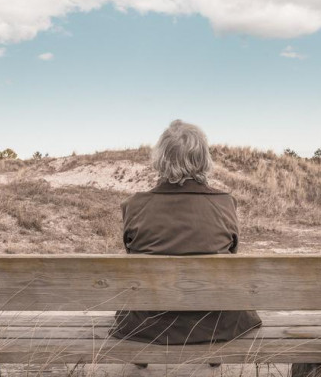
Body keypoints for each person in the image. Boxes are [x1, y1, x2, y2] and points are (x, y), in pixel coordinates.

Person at [109, 120, 262, 355]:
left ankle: (140, 360)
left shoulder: (134, 206)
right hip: (217, 323)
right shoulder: (225, 204)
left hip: (149, 326)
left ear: (161, 159)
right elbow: (231, 256)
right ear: (203, 159)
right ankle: (214, 358)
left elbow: (133, 256)